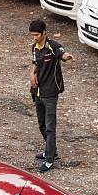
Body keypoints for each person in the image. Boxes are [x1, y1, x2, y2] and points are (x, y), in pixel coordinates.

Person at [29, 19, 73, 173]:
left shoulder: (53, 46)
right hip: (38, 92)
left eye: (36, 35)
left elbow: (62, 53)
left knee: (49, 127)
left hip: (50, 93)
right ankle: (51, 150)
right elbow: (34, 63)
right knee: (41, 124)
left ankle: (49, 160)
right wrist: (31, 75)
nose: (34, 38)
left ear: (44, 33)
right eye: (32, 35)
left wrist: (67, 57)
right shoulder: (34, 47)